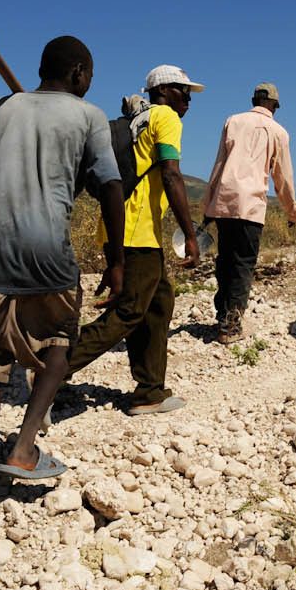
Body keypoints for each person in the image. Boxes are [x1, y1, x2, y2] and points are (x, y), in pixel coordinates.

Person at [0, 36, 125, 542]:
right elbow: (108, 184)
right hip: (47, 255)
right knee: (60, 341)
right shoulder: (88, 116)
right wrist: (116, 259)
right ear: (79, 72)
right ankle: (23, 447)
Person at [64, 65, 202, 416]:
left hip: (120, 228)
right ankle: (53, 369)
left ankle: (150, 391)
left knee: (158, 303)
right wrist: (190, 233)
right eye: (183, 91)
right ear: (165, 90)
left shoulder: (133, 122)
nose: (188, 99)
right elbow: (171, 174)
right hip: (136, 232)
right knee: (127, 312)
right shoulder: (166, 118)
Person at [201, 82, 296, 344]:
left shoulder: (232, 121)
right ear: (274, 106)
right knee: (244, 262)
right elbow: (283, 177)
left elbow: (219, 164)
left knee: (225, 259)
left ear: (252, 99)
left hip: (224, 201)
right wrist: (291, 211)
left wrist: (208, 205)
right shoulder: (278, 132)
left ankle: (222, 314)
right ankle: (231, 325)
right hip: (251, 205)